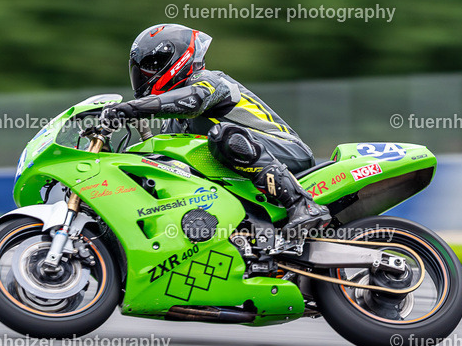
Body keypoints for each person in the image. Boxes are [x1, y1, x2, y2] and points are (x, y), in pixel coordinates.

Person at [101, 24, 330, 237]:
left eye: (150, 67)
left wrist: (130, 109)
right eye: (140, 70)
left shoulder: (210, 81)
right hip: (245, 176)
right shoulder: (172, 122)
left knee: (224, 135)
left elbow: (194, 100)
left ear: (176, 59)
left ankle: (303, 204)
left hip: (287, 151)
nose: (143, 76)